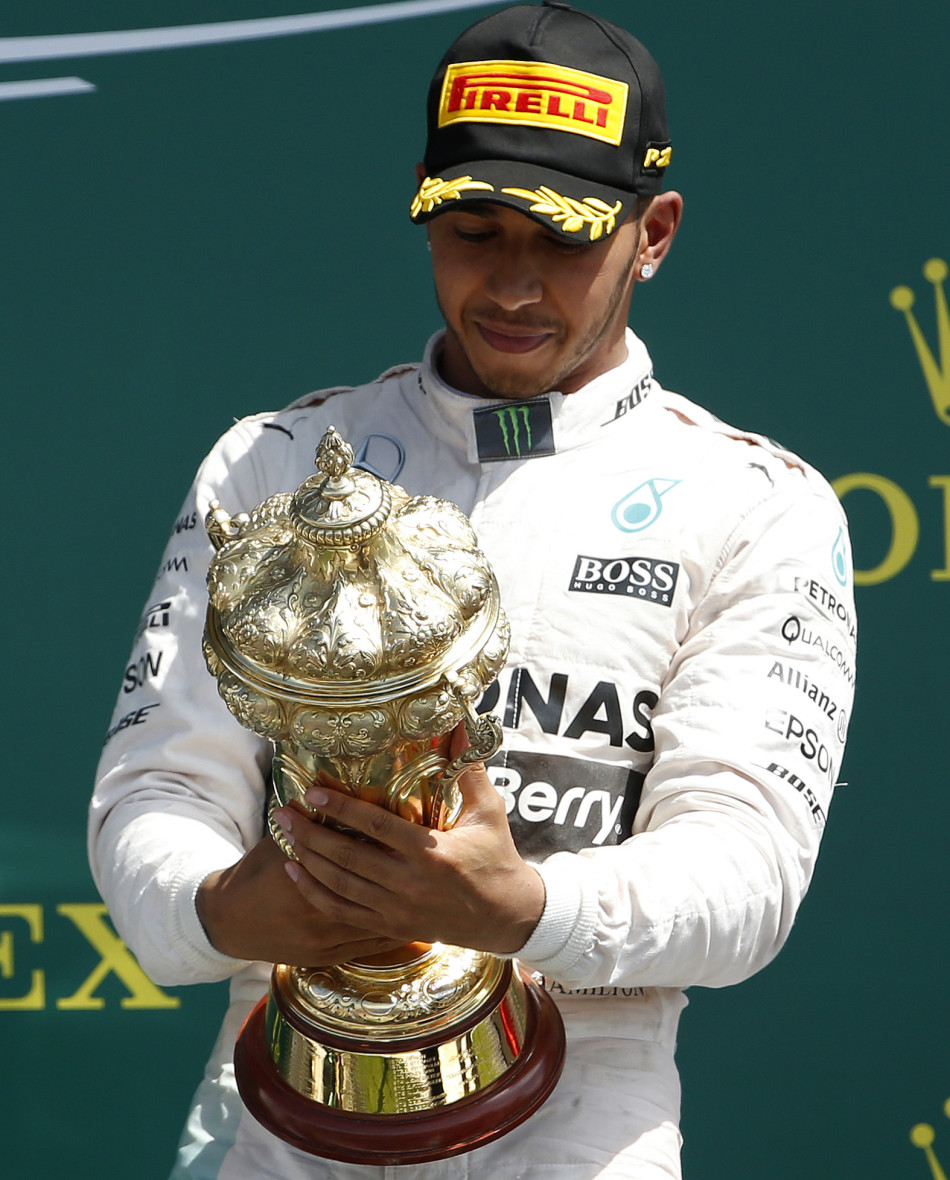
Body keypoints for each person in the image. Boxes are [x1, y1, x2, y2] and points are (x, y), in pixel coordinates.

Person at [89, 3, 857, 1178]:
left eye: (559, 240)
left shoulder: (755, 501)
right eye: (472, 230)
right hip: (278, 1097)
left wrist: (521, 907)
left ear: (652, 232)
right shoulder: (273, 463)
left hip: (582, 1110)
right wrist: (226, 908)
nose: (509, 283)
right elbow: (153, 793)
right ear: (421, 203)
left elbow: (745, 875)